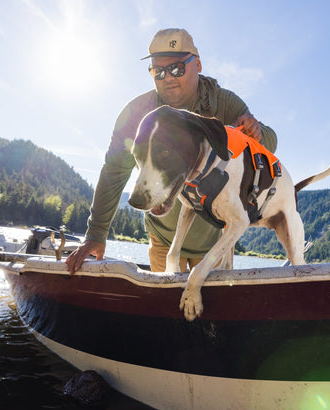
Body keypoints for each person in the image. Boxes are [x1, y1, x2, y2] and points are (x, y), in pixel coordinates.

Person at [66, 28, 277, 274]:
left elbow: (266, 148)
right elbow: (114, 172)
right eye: (158, 71)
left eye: (176, 68)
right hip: (164, 245)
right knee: (164, 308)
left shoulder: (224, 104)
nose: (167, 77)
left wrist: (256, 132)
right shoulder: (136, 114)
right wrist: (96, 233)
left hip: (214, 245)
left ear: (197, 64)